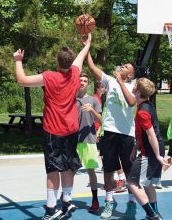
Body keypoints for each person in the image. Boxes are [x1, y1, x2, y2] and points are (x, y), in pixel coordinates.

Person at [13, 34, 91, 220]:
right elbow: (81, 56)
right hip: (72, 129)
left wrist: (17, 60)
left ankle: (51, 209)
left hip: (53, 131)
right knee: (68, 166)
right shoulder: (75, 73)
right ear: (70, 62)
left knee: (53, 169)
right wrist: (87, 43)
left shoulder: (49, 77)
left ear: (57, 62)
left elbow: (22, 80)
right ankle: (67, 200)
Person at [85, 51, 137, 219]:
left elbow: (131, 102)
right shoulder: (110, 80)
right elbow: (92, 67)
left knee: (129, 172)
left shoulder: (134, 85)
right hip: (109, 131)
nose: (123, 65)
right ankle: (109, 201)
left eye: (126, 66)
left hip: (127, 134)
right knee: (108, 170)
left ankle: (131, 203)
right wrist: (87, 47)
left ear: (130, 74)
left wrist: (121, 81)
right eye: (123, 64)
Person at [127, 78, 167, 220]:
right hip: (154, 148)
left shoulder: (142, 111)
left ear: (137, 92)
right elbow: (141, 134)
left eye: (135, 85)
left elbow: (151, 135)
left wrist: (157, 155)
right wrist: (134, 148)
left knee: (132, 183)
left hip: (150, 152)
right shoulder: (147, 105)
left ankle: (152, 215)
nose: (132, 85)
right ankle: (155, 213)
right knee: (148, 183)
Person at [76, 73, 102, 213]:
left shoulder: (93, 100)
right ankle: (65, 198)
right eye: (80, 80)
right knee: (69, 171)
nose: (82, 82)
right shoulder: (71, 98)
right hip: (72, 140)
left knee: (91, 171)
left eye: (85, 81)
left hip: (89, 141)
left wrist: (91, 110)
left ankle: (95, 199)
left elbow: (101, 120)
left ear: (88, 84)